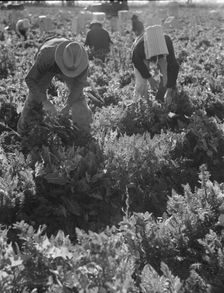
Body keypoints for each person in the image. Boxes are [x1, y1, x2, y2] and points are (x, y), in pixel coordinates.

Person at [17, 37, 93, 135]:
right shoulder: (46, 56)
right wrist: (44, 101)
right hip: (49, 65)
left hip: (69, 64)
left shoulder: (81, 62)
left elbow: (78, 86)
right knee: (35, 97)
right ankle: (23, 131)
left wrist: (68, 105)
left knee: (78, 98)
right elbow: (30, 79)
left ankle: (83, 133)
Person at [131, 25, 179, 104]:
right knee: (141, 83)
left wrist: (169, 89)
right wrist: (149, 78)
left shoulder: (166, 42)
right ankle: (140, 104)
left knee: (166, 77)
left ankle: (165, 98)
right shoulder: (139, 49)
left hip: (162, 53)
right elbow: (138, 63)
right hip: (142, 56)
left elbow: (174, 66)